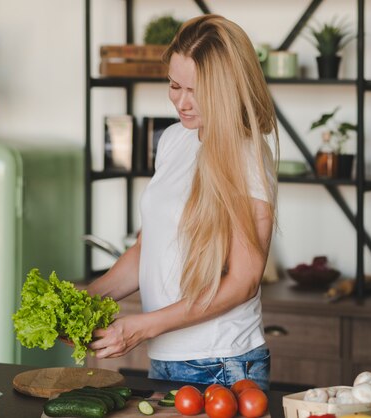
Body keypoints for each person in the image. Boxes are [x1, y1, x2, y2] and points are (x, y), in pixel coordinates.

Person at [86, 14, 279, 390]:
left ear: (226, 89)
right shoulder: (176, 139)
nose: (181, 102)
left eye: (197, 91)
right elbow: (148, 247)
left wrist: (141, 326)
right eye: (175, 85)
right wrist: (87, 300)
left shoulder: (246, 156)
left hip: (222, 363)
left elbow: (244, 281)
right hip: (166, 357)